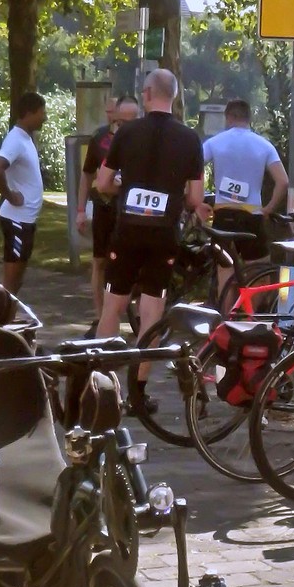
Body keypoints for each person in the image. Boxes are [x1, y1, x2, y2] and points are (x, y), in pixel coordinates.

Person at [94, 69, 206, 382]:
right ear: (174, 96)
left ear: (146, 94)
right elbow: (196, 197)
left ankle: (105, 383)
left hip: (127, 231)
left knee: (113, 305)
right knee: (152, 312)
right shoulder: (189, 139)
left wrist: (127, 188)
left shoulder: (126, 134)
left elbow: (102, 183)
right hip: (164, 235)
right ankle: (139, 389)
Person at [203, 98, 288, 300]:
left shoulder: (215, 142)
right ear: (249, 118)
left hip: (223, 215)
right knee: (258, 272)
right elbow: (283, 181)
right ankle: (250, 319)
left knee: (225, 271)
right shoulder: (264, 145)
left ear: (228, 117)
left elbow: (193, 167)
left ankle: (226, 320)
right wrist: (268, 208)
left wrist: (198, 202)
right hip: (252, 216)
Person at [77, 93, 140, 332]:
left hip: (128, 210)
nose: (109, 114)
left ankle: (128, 312)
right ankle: (100, 315)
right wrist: (81, 210)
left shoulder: (140, 138)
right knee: (99, 263)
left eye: (113, 109)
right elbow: (87, 175)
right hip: (104, 207)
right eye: (109, 110)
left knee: (129, 264)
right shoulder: (100, 139)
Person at [0, 91, 46, 295]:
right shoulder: (15, 140)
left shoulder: (25, 139)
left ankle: (8, 316)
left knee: (17, 280)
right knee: (11, 282)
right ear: (29, 113)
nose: (44, 118)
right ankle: (0, 319)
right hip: (16, 221)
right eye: (41, 113)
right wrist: (10, 196)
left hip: (25, 220)